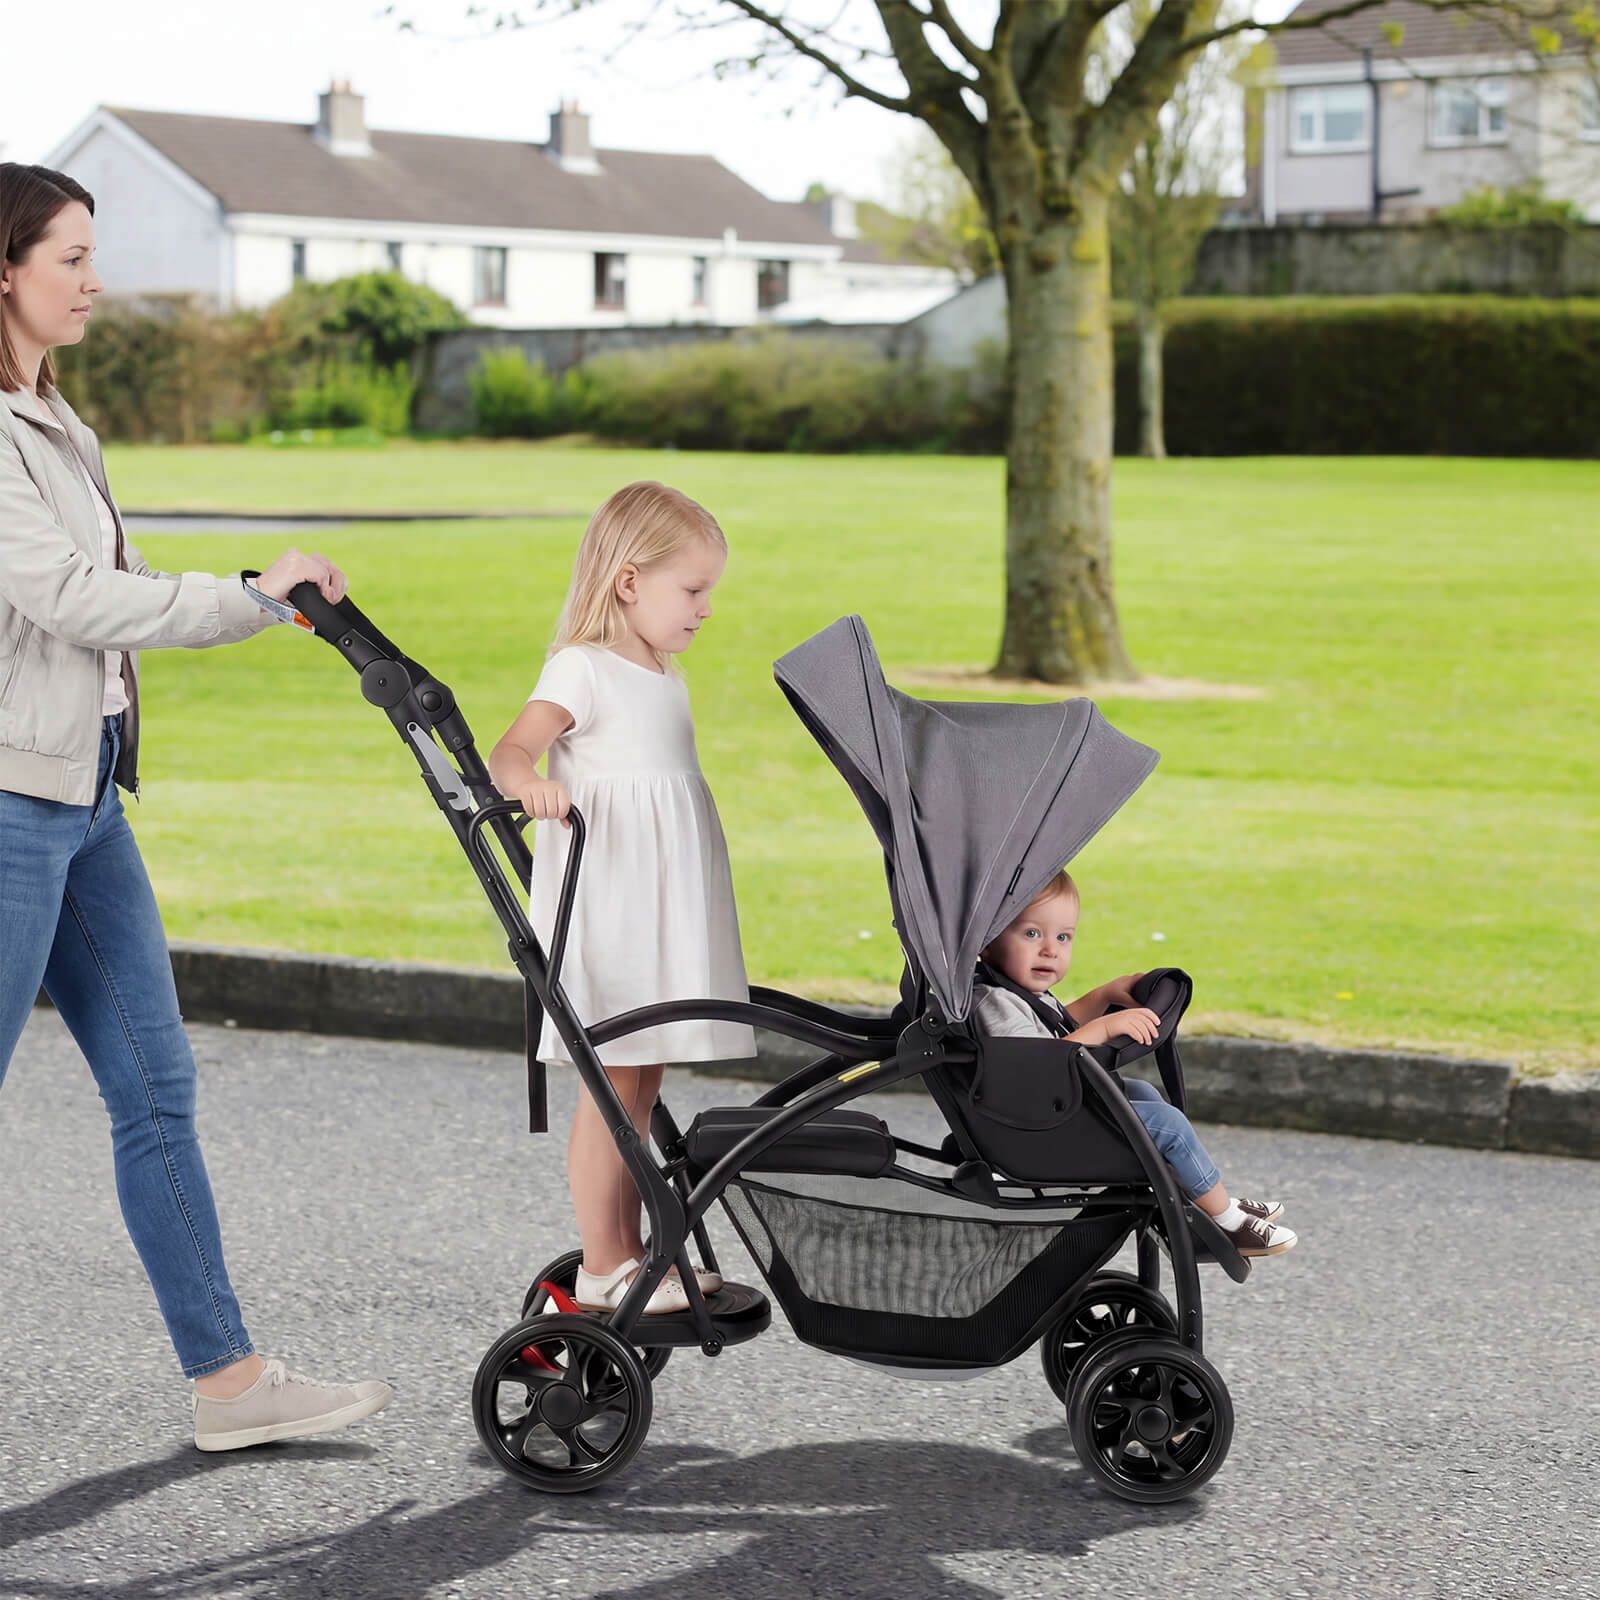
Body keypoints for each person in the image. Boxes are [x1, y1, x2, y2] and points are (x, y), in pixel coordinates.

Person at [1, 162, 393, 1449]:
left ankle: (226, 1382)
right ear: (3, 269)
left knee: (157, 1086)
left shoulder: (59, 422)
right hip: (9, 810)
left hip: (83, 796)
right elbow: (73, 599)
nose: (95, 280)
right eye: (70, 257)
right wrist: (249, 593)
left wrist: (256, 595)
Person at [489, 480, 755, 1313]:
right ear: (629, 581)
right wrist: (531, 784)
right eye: (694, 589)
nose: (706, 608)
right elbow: (511, 749)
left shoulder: (662, 672)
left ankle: (635, 1253)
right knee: (612, 1084)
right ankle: (605, 1261)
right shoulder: (585, 667)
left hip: (660, 897)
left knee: (641, 1086)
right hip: (613, 903)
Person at [974, 869, 1297, 1258]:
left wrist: (1104, 995)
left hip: (1049, 1113)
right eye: (1031, 934)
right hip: (1038, 1130)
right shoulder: (994, 1001)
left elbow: (1058, 1025)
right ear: (986, 943)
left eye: (1063, 937)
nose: (1050, 950)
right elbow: (1036, 1063)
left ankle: (1200, 1199)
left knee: (1141, 1092)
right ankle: (1228, 1221)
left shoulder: (1015, 992)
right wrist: (1105, 1027)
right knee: (1169, 1128)